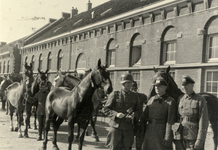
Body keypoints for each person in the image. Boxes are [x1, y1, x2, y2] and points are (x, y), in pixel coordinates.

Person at [104, 73, 140, 150]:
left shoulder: (135, 96)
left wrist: (134, 114)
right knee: (114, 147)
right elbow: (106, 109)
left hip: (129, 128)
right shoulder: (115, 94)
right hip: (116, 127)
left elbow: (139, 110)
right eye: (128, 83)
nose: (130, 85)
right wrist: (116, 114)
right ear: (123, 83)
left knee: (127, 148)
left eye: (131, 83)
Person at [141, 77, 176, 150]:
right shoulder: (151, 99)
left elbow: (170, 121)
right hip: (150, 130)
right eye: (156, 86)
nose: (157, 88)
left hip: (161, 131)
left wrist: (167, 137)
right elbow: (144, 116)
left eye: (160, 86)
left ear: (165, 87)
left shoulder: (170, 101)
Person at [175, 75, 209, 150]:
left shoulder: (200, 100)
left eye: (187, 85)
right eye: (183, 85)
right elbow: (178, 118)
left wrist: (200, 140)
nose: (184, 87)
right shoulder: (180, 99)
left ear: (192, 85)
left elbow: (203, 121)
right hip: (181, 138)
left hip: (193, 138)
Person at [131, 81, 147, 150]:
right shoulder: (127, 97)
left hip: (139, 120)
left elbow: (148, 105)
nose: (133, 90)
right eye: (132, 89)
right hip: (129, 121)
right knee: (128, 140)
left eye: (134, 88)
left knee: (139, 140)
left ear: (137, 88)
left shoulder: (142, 96)